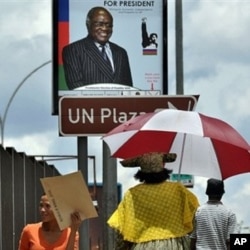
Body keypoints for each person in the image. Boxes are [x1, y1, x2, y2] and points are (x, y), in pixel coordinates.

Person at [107, 152, 199, 249]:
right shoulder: (178, 189)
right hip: (175, 245)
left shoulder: (132, 194)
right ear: (163, 167)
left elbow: (122, 229)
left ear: (141, 172)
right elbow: (195, 215)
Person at [62, 6, 133, 90]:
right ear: (88, 25)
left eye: (109, 25)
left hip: (120, 103)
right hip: (89, 103)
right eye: (100, 24)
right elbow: (76, 87)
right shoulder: (73, 50)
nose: (105, 28)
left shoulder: (121, 52)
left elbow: (128, 88)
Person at [190, 178, 238, 250]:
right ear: (222, 193)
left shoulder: (198, 212)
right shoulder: (230, 214)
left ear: (207, 193)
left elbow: (193, 239)